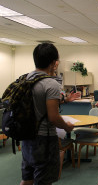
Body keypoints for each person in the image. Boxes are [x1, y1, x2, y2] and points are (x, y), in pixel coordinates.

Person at [20, 43, 79, 185]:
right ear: (53, 63)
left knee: (27, 178)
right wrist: (66, 127)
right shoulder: (50, 84)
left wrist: (65, 100)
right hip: (43, 139)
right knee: (43, 180)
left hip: (26, 136)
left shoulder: (25, 79)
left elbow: (39, 104)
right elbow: (53, 117)